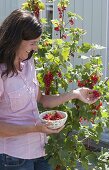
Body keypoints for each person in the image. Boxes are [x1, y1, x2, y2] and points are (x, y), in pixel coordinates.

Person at [0, 9, 99, 170]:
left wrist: (75, 93)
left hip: (39, 149)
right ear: (15, 39)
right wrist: (35, 128)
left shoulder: (28, 64)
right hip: (12, 158)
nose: (36, 48)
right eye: (32, 43)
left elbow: (41, 99)